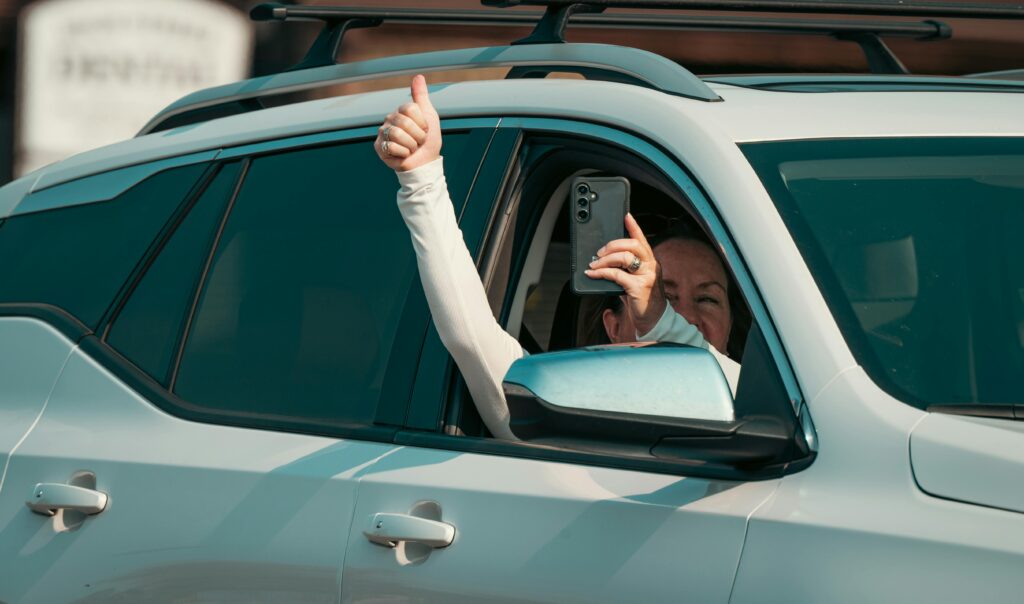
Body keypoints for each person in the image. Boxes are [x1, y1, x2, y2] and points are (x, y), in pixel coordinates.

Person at [375, 75, 739, 439]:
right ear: (613, 328)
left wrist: (660, 319)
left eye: (708, 298)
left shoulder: (779, 417)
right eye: (664, 296)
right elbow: (471, 338)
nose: (688, 317)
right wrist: (421, 183)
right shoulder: (563, 420)